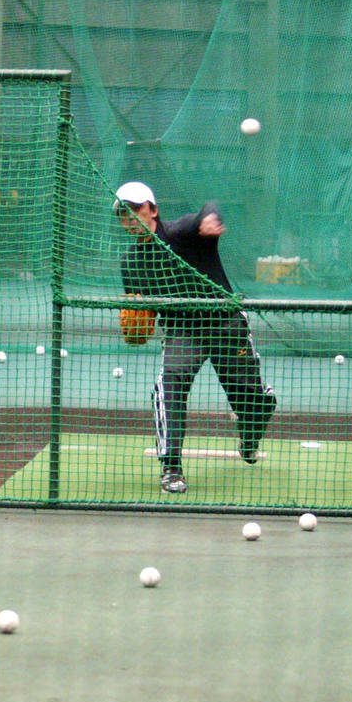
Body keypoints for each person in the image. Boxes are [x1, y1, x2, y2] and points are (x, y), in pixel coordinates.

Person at [115, 180, 277, 495]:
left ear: (153, 210)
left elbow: (209, 205)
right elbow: (139, 314)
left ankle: (254, 418)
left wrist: (209, 220)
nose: (130, 218)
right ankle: (171, 467)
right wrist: (136, 321)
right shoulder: (131, 263)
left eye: (136, 209)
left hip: (224, 324)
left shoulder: (182, 232)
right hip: (182, 331)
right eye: (123, 213)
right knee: (168, 385)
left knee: (251, 401)